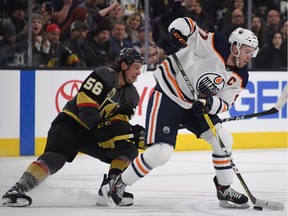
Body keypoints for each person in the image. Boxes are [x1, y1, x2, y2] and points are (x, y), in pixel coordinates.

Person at [101, 17, 259, 209]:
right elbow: (187, 24)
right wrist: (178, 35)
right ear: (235, 46)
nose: (249, 57)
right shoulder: (215, 44)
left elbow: (225, 102)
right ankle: (118, 184)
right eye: (247, 51)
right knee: (161, 153)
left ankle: (224, 189)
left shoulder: (241, 76)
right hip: (168, 95)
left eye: (252, 53)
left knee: (223, 139)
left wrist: (209, 104)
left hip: (194, 105)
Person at [1, 47, 146, 207]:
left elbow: (119, 122)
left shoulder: (132, 96)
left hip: (93, 133)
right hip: (70, 123)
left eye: (141, 68)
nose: (139, 72)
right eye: (136, 67)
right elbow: (85, 103)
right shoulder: (104, 74)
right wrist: (100, 129)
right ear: (124, 65)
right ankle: (16, 190)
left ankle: (109, 190)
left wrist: (132, 132)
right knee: (56, 157)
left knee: (128, 149)